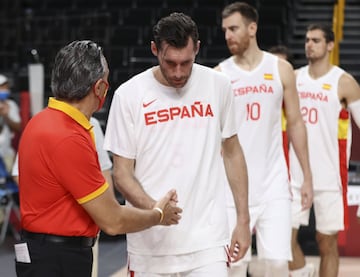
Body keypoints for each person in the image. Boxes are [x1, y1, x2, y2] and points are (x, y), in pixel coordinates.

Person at [15, 40, 182, 277]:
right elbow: (112, 220)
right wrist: (158, 215)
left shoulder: (40, 121)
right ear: (100, 88)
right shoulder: (67, 137)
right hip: (58, 259)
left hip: (42, 252)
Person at [103, 12, 251, 276]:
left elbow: (232, 153)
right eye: (170, 63)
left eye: (186, 62)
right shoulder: (129, 95)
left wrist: (242, 218)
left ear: (197, 48)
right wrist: (156, 211)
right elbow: (122, 174)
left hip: (208, 241)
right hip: (149, 246)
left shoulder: (219, 86)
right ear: (154, 49)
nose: (179, 72)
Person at [214, 2, 313, 277]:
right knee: (233, 267)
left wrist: (306, 175)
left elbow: (295, 123)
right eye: (225, 31)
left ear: (252, 28)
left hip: (273, 184)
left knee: (277, 266)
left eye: (233, 29)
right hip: (230, 189)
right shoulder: (219, 75)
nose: (227, 36)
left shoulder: (281, 69)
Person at [288, 23, 360, 277]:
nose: (309, 44)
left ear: (330, 45)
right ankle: (302, 272)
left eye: (316, 40)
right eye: (307, 39)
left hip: (330, 175)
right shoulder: (294, 78)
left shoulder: (345, 82)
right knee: (284, 239)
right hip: (295, 175)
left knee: (326, 242)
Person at [12, 116, 113, 277]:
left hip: (85, 234)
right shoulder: (39, 125)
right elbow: (18, 174)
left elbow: (105, 172)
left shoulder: (91, 125)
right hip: (44, 239)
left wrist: (105, 212)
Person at [0, 74, 21, 172]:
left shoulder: (11, 105)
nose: (5, 90)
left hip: (7, 152)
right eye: (2, 87)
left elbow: (18, 128)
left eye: (6, 87)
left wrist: (5, 116)